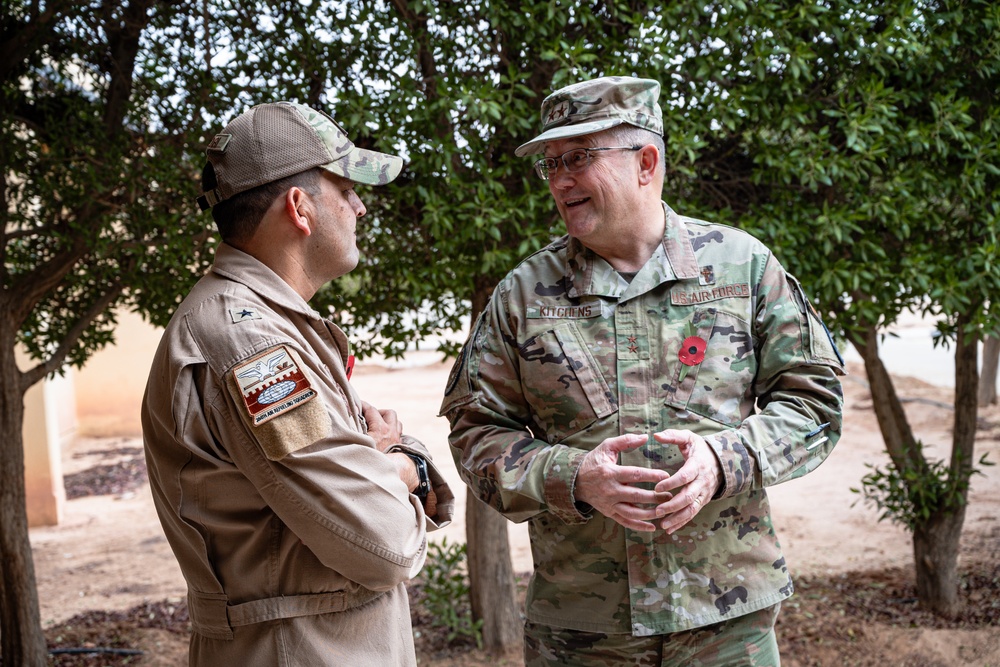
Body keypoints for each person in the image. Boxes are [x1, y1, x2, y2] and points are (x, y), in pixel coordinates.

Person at [440, 76, 845, 665]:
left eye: (578, 158)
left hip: (725, 624)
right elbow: (475, 433)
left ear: (646, 162)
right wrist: (573, 476)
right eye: (550, 164)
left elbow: (815, 401)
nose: (559, 180)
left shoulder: (743, 267)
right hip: (582, 632)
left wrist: (724, 459)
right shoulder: (522, 297)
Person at [142, 100, 454, 666]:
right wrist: (404, 463)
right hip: (300, 651)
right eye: (346, 187)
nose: (360, 206)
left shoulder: (266, 325)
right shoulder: (250, 343)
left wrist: (371, 463)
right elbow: (384, 541)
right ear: (300, 207)